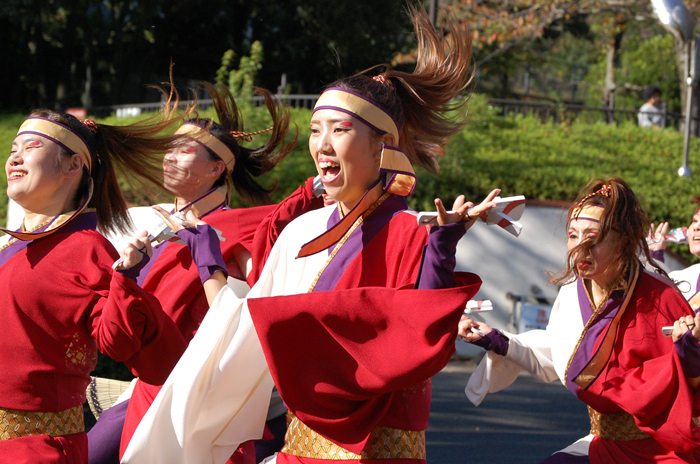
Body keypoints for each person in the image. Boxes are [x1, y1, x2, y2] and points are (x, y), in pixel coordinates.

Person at [122, 6, 495, 464]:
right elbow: (244, 329)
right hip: (301, 452)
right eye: (316, 129)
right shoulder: (303, 230)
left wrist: (440, 247)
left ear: (384, 145)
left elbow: (422, 345)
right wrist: (208, 265)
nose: (321, 143)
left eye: (339, 129)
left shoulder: (410, 230)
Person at [86, 83, 296, 464]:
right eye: (169, 147)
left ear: (217, 168)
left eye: (183, 150)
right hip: (149, 384)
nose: (169, 157)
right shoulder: (147, 221)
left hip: (207, 394)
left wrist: (208, 257)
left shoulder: (245, 227)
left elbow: (258, 313)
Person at [461, 177, 700, 463]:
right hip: (601, 441)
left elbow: (691, 384)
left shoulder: (662, 296)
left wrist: (690, 355)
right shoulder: (572, 293)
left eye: (593, 237)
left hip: (662, 445)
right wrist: (495, 338)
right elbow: (562, 353)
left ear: (623, 241)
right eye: (573, 235)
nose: (580, 248)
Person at [0, 108, 189, 463]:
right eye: (13, 148)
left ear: (73, 166)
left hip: (35, 450)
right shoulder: (10, 243)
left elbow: (120, 342)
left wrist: (126, 280)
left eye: (31, 146)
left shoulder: (86, 248)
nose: (15, 156)